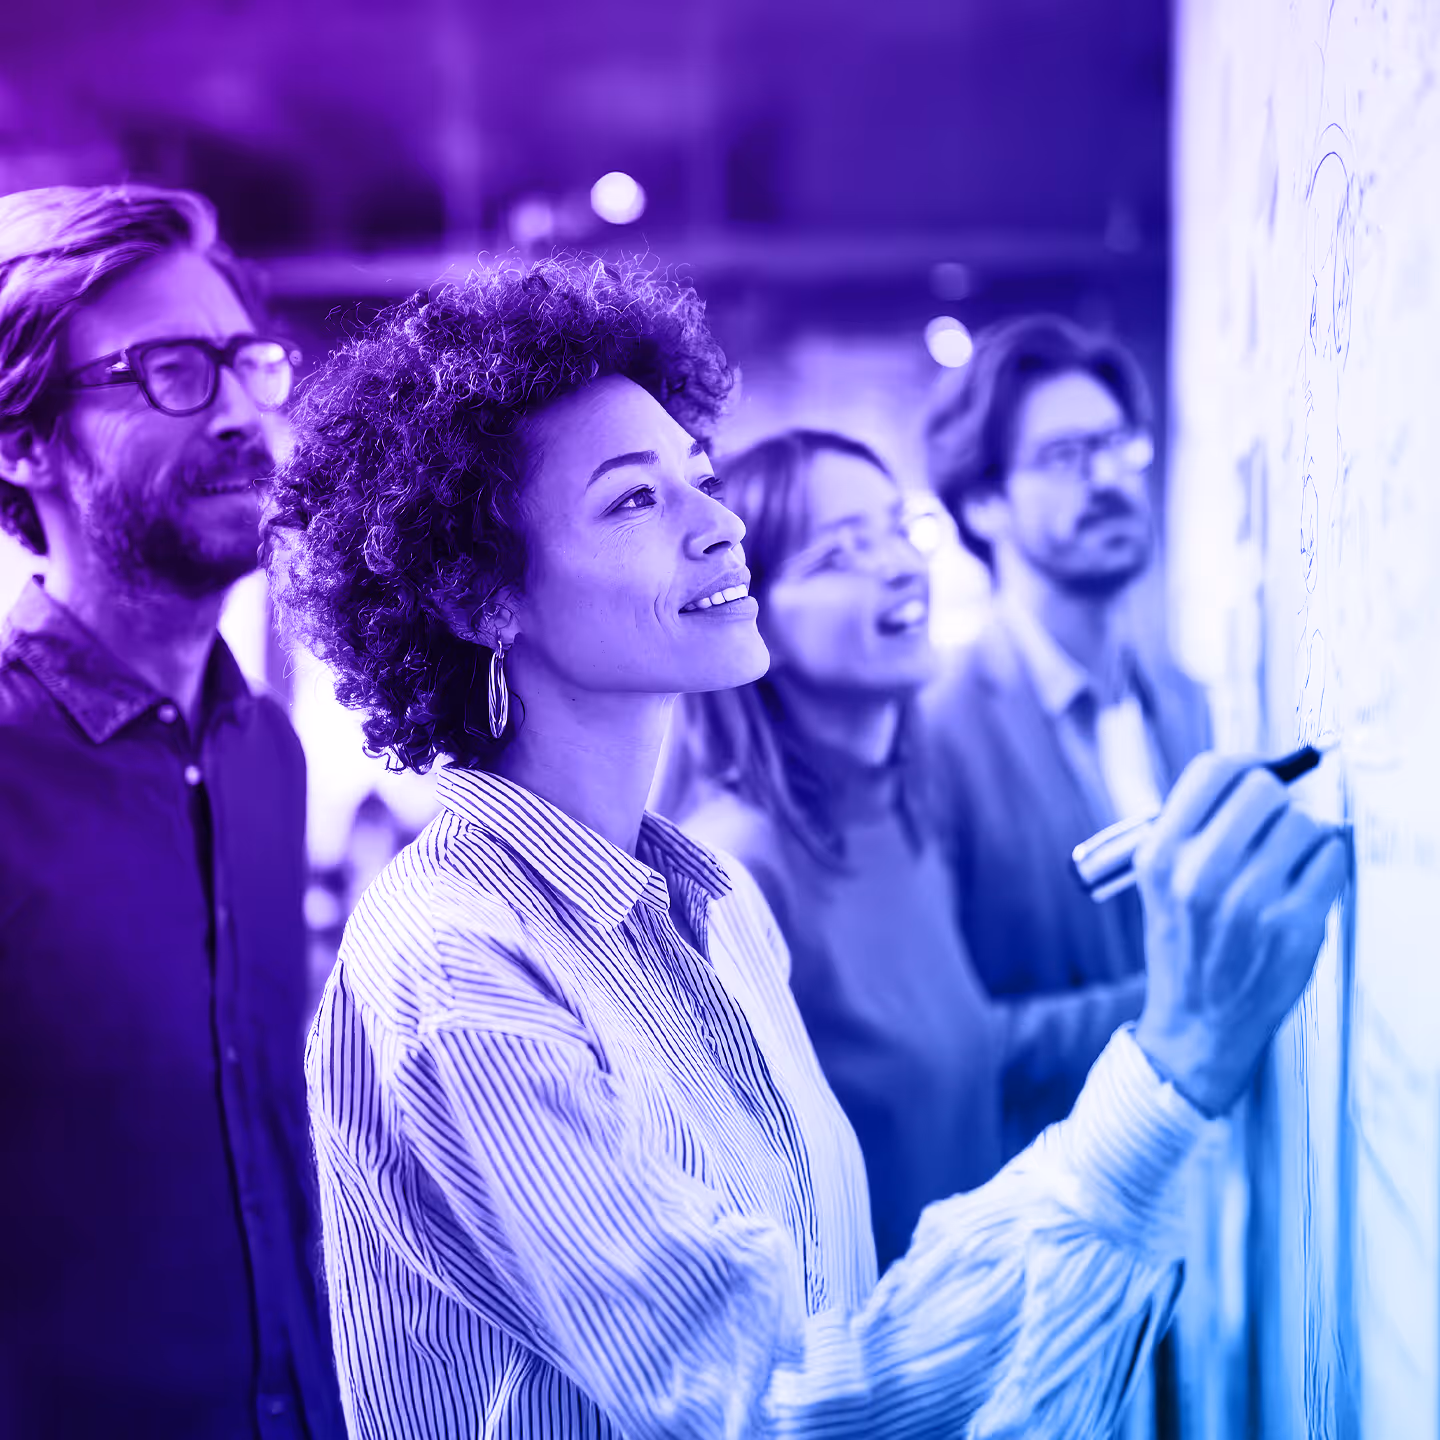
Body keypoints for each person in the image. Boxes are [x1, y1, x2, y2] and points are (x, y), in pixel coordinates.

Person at [268, 254, 1345, 1439]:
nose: (720, 525)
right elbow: (775, 1401)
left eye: (701, 478)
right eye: (636, 500)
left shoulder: (715, 902)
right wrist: (1178, 1054)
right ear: (480, 596)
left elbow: (841, 1310)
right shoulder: (456, 959)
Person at [0, 186, 343, 1438]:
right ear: (23, 442)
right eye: (173, 373)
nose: (249, 412)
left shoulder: (267, 752)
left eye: (251, 365)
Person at [665, 428, 1144, 1270]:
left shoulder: (906, 814)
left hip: (977, 1349)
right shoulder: (734, 868)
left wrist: (1180, 981)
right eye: (842, 553)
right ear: (753, 605)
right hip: (874, 1378)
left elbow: (974, 1055)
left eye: (897, 529)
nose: (896, 565)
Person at [923, 314, 1212, 1155]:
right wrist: (1186, 1000)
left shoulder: (1186, 703)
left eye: (1120, 447)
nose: (1111, 480)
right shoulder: (934, 730)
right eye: (1064, 459)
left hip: (1203, 1217)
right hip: (1048, 1225)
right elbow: (953, 1048)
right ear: (982, 504)